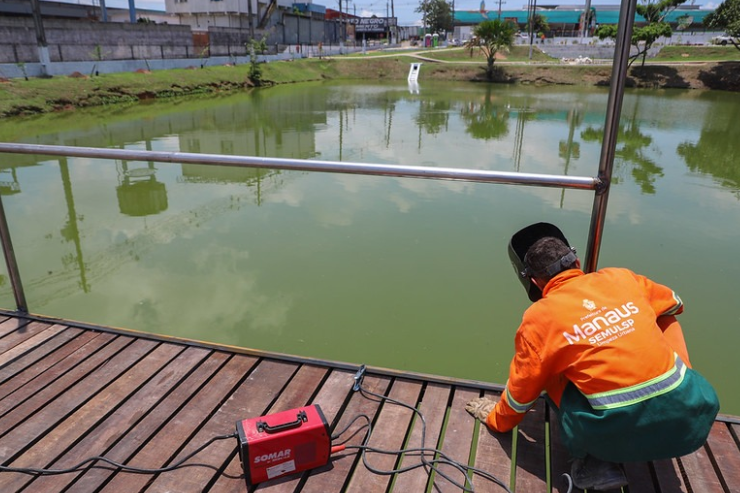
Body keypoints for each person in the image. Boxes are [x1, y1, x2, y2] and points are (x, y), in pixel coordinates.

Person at [466, 226, 720, 491]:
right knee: (663, 314)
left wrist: (496, 419)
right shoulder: (620, 277)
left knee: (547, 368)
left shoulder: (539, 318)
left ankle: (592, 462)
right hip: (694, 420)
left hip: (614, 442)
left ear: (535, 283)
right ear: (576, 262)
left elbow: (522, 393)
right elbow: (674, 303)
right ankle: (679, 386)